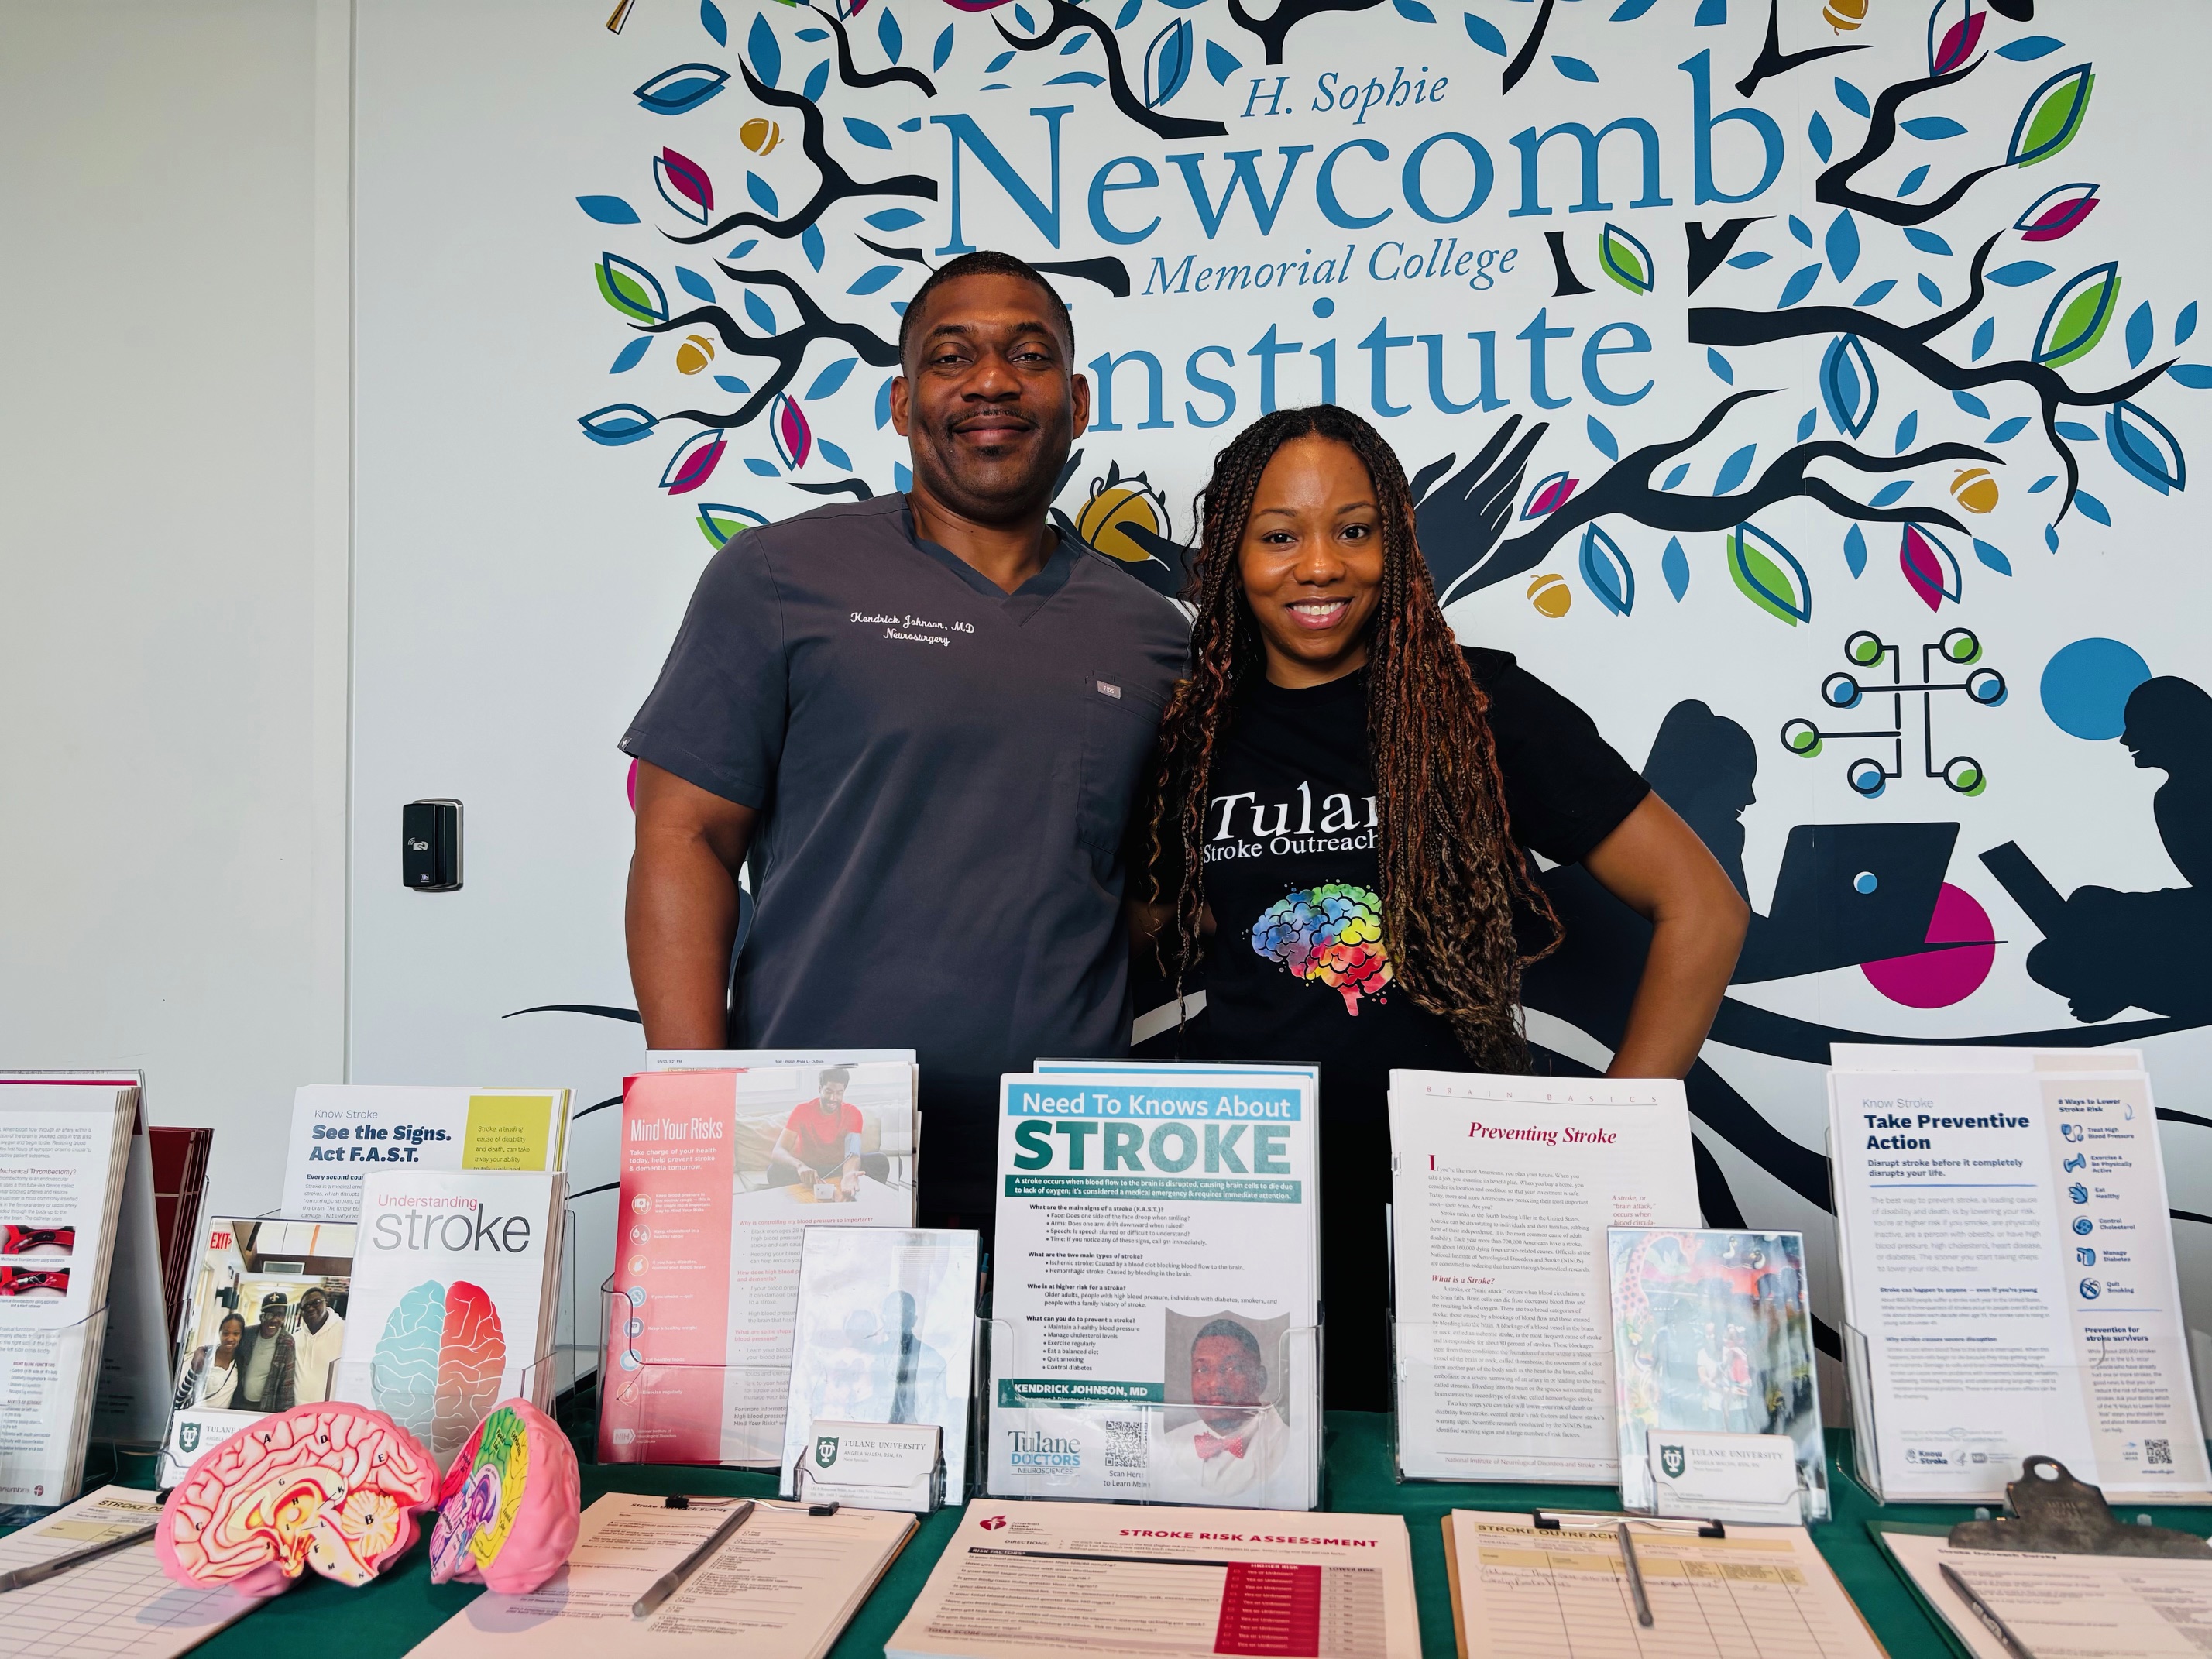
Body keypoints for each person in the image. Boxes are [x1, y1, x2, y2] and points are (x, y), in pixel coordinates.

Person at [1134, 406, 1747, 1410]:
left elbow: (1702, 906)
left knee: (1467, 1511)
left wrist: (1613, 1144)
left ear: (1397, 541)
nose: (1321, 564)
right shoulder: (1193, 734)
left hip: (1463, 1206)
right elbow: (1140, 922)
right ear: (1232, 555)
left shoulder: (1482, 707)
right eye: (1280, 534)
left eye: (1356, 528)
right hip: (1248, 1209)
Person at [623, 250, 1188, 1227]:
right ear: (899, 401)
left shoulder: (1153, 637)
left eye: (1029, 353)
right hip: (818, 1142)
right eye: (951, 356)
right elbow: (685, 838)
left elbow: (1146, 895)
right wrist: (699, 1108)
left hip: (1068, 1153)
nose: (992, 381)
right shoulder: (778, 579)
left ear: (1079, 400)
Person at [1157, 1318, 1289, 1499]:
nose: (1215, 1383)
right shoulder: (1168, 1444)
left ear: (1260, 1380)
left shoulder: (1291, 1447)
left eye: (1232, 1368)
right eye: (1202, 1370)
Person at [768, 1066, 887, 1195]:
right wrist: (800, 1166)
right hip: (809, 1170)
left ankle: (850, 1190)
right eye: (829, 1091)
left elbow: (853, 1155)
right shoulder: (802, 1110)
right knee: (774, 1171)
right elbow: (778, 1150)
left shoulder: (853, 1113)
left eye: (839, 1093)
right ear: (820, 1089)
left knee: (880, 1161)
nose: (833, 1098)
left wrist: (848, 1174)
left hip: (839, 1168)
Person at [229, 1290, 297, 1413]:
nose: (274, 1320)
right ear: (262, 1316)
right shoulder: (248, 1334)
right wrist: (203, 1351)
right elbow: (227, 1346)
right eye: (270, 1315)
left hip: (266, 1407)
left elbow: (287, 1383)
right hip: (239, 1403)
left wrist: (285, 1416)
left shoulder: (287, 1343)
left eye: (280, 1315)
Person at [175, 1312, 245, 1411]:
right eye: (225, 1333)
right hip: (195, 1419)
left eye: (236, 1334)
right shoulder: (204, 1358)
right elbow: (181, 1394)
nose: (230, 1338)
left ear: (241, 1336)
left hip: (219, 1423)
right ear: (219, 1333)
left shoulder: (240, 1361)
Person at [291, 1284, 345, 1405]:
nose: (310, 1308)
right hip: (297, 1409)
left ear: (326, 1304)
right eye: (306, 1306)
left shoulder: (345, 1332)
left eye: (316, 1303)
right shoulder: (295, 1338)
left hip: (330, 1410)